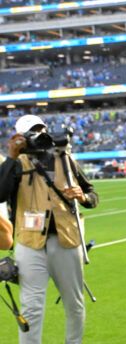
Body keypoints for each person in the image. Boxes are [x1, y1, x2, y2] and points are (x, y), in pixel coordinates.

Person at [0, 115, 99, 344]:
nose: (37, 136)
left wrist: (83, 196)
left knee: (74, 303)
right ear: (20, 137)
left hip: (66, 238)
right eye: (31, 133)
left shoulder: (65, 158)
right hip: (29, 241)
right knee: (31, 306)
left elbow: (93, 194)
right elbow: (0, 194)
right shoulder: (16, 163)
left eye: (40, 130)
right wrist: (12, 157)